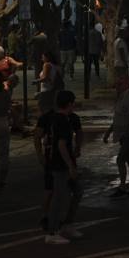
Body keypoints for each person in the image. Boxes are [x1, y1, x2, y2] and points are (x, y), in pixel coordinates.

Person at [41, 91, 84, 245]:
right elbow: (61, 145)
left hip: (59, 163)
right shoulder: (63, 121)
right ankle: (52, 231)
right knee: (59, 197)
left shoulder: (55, 119)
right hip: (61, 165)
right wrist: (70, 165)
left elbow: (47, 140)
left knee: (76, 191)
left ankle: (66, 224)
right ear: (69, 104)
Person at [104, 78, 129, 197]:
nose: (117, 86)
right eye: (117, 84)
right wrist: (109, 131)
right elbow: (118, 118)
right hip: (123, 134)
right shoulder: (122, 97)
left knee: (121, 159)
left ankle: (123, 186)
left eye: (120, 84)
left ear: (127, 84)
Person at [36, 51, 61, 115]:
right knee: (50, 106)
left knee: (41, 106)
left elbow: (45, 77)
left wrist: (36, 81)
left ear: (47, 58)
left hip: (46, 88)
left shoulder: (46, 65)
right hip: (52, 88)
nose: (42, 59)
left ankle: (44, 121)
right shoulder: (55, 66)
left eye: (43, 57)